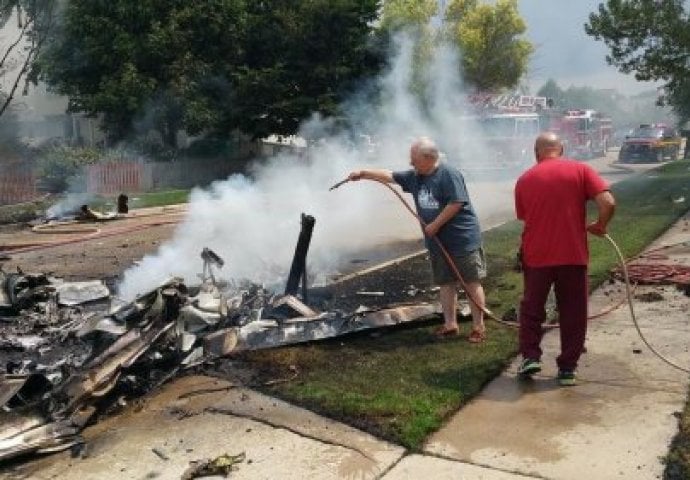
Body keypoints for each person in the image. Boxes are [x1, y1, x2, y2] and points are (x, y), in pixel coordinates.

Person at [347, 137, 487, 343]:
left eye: (414, 160)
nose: (411, 164)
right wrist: (364, 173)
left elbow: (457, 202)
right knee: (446, 283)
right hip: (438, 242)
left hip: (461, 239)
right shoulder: (416, 176)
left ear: (429, 158)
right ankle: (450, 324)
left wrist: (436, 224)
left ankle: (478, 326)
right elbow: (390, 175)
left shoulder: (449, 174)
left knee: (470, 282)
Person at [514, 132, 615, 386]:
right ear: (562, 148)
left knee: (532, 309)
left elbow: (527, 219)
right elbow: (608, 202)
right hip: (572, 255)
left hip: (537, 256)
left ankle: (530, 357)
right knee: (573, 311)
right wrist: (601, 225)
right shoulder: (581, 170)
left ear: (536, 152)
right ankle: (568, 368)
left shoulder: (525, 179)